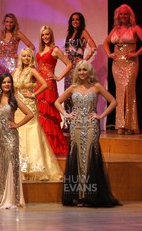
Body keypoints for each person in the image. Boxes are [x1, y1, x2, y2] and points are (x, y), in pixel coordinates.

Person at [55, 61, 121, 207]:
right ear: (77, 72)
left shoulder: (96, 86)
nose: (82, 72)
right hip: (76, 125)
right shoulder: (73, 88)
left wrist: (101, 115)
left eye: (85, 69)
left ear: (89, 71)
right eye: (80, 70)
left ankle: (90, 195)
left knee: (89, 156)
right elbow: (57, 102)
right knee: (78, 157)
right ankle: (79, 195)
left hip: (91, 125)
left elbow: (113, 102)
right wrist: (66, 114)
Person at [0, 73, 34, 209]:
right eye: (4, 82)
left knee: (11, 163)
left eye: (9, 82)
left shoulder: (14, 100)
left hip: (11, 136)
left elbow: (30, 113)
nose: (6, 84)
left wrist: (17, 124)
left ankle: (12, 199)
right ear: (0, 84)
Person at [12, 48, 62, 181]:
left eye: (28, 56)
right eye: (24, 56)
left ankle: (34, 167)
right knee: (20, 134)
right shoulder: (16, 71)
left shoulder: (32, 70)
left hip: (30, 105)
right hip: (17, 107)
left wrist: (34, 94)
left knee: (32, 133)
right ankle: (20, 167)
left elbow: (45, 84)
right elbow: (10, 86)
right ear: (20, 58)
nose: (26, 58)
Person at [103, 4, 142, 135]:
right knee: (120, 92)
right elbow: (105, 43)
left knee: (128, 91)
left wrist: (136, 53)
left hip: (130, 63)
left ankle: (131, 124)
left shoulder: (135, 28)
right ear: (118, 16)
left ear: (130, 15)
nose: (123, 16)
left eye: (125, 14)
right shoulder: (115, 29)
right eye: (121, 14)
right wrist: (109, 54)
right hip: (117, 64)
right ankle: (120, 124)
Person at [36, 26, 72, 155]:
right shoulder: (40, 50)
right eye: (43, 35)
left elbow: (69, 64)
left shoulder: (55, 49)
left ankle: (52, 145)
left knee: (48, 114)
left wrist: (58, 77)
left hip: (49, 84)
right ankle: (40, 146)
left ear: (51, 35)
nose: (45, 37)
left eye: (47, 34)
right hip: (38, 84)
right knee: (39, 114)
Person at [63, 13, 97, 119]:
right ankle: (69, 121)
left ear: (81, 21)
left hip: (78, 68)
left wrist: (84, 60)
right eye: (73, 19)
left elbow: (93, 47)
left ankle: (79, 119)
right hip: (69, 68)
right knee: (68, 94)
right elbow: (67, 52)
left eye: (77, 19)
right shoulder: (70, 34)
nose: (75, 21)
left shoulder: (83, 32)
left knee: (76, 93)